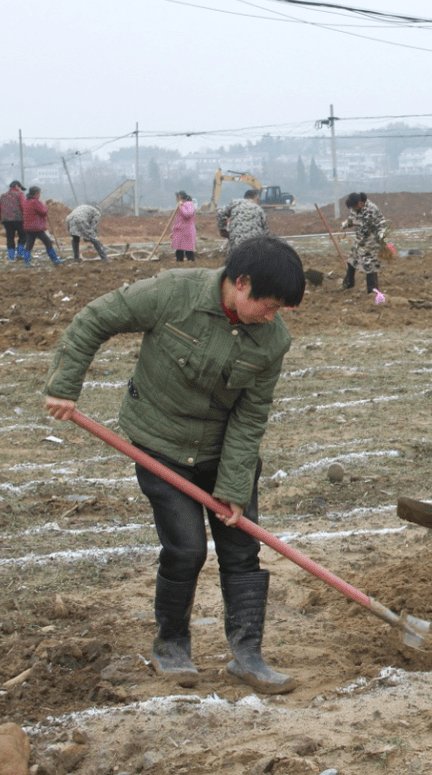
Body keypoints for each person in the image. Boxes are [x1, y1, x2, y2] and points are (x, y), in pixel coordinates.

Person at [42, 235, 306, 694]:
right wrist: (65, 385)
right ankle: (172, 646)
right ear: (239, 283)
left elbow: (251, 415)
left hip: (223, 451)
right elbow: (95, 319)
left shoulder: (272, 340)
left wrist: (233, 488)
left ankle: (248, 655)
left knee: (241, 550)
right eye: (269, 303)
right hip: (159, 445)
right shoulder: (172, 293)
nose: (273, 315)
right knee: (186, 549)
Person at [341, 192, 387, 294]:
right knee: (352, 260)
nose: (354, 209)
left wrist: (381, 233)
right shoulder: (355, 209)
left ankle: (372, 290)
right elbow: (352, 219)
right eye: (352, 207)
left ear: (360, 203)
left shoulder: (372, 209)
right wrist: (346, 224)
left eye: (355, 206)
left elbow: (381, 223)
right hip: (360, 240)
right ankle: (348, 283)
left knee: (370, 265)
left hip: (371, 242)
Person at [216, 189, 268, 255]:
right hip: (254, 248)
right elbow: (266, 232)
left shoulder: (235, 203)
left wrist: (223, 230)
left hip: (236, 247)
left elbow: (220, 213)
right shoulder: (260, 210)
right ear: (255, 198)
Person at [21, 186, 64, 267]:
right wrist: (44, 205)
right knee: (48, 243)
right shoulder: (36, 202)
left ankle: (27, 263)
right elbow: (44, 212)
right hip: (37, 227)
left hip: (28, 227)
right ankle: (55, 260)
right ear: (36, 194)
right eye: (39, 193)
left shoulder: (26, 202)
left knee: (29, 245)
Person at [0, 180, 27, 263]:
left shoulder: (3, 196)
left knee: (10, 238)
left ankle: (11, 257)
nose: (20, 189)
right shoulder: (20, 194)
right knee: (23, 236)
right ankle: (20, 253)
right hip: (18, 219)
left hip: (6, 220)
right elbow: (23, 206)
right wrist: (26, 218)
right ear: (17, 186)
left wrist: (1, 219)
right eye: (20, 187)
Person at [171, 190, 197, 262]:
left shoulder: (189, 204)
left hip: (187, 231)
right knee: (179, 249)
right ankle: (179, 262)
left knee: (188, 249)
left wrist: (181, 206)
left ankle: (191, 263)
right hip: (180, 231)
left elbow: (187, 214)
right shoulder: (182, 205)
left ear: (180, 198)